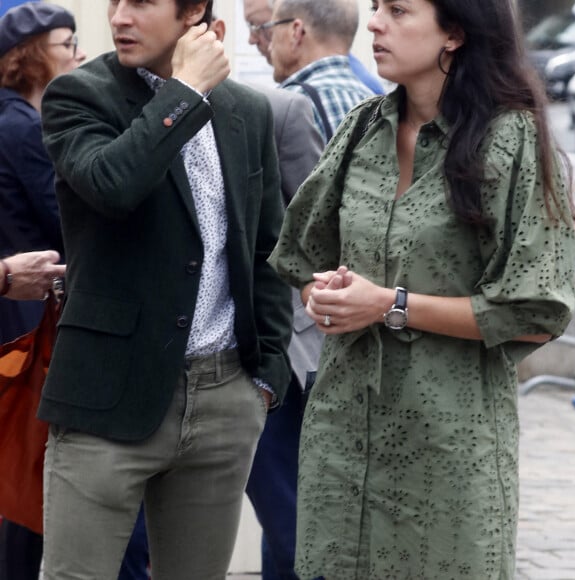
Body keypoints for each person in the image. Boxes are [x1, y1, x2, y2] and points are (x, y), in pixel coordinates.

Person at [268, 0, 575, 578]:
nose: (377, 24)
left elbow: (535, 312)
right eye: (377, 8)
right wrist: (330, 295)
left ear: (456, 32)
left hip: (447, 448)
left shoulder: (513, 141)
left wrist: (390, 305)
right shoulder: (361, 129)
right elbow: (304, 257)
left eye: (400, 11)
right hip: (341, 442)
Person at [39, 0, 292, 578]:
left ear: (193, 13)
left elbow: (267, 247)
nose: (120, 17)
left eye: (142, 2)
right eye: (115, 2)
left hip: (226, 393)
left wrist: (265, 375)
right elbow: (112, 186)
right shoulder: (79, 95)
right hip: (108, 392)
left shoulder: (249, 112)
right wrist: (184, 92)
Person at [212, 14, 325, 580]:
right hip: (173, 365)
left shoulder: (280, 110)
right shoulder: (123, 119)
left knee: (289, 520)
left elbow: (318, 236)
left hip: (270, 357)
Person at [0, 4, 85, 579]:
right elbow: (66, 224)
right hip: (23, 327)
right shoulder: (23, 127)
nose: (79, 56)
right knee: (29, 495)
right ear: (30, 58)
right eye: (67, 44)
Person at [267, 0, 375, 141]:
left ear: (296, 32)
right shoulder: (375, 103)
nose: (270, 46)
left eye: (272, 30)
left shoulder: (286, 106)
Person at [243, 0, 385, 96]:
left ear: (296, 32)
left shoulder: (287, 106)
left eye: (268, 27)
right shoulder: (371, 94)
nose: (251, 39)